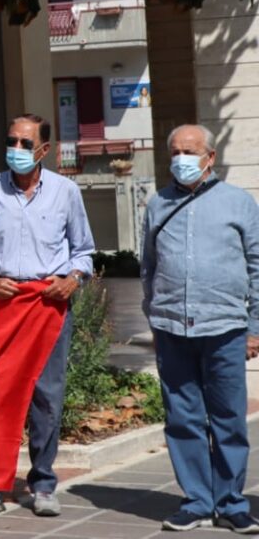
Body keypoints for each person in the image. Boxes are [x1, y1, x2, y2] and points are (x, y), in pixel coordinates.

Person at [0, 113, 94, 519]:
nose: (15, 150)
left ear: (44, 150)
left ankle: (42, 482)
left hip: (48, 306)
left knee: (46, 398)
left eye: (24, 143)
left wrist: (72, 281)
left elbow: (83, 250)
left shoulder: (66, 192)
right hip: (4, 305)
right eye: (11, 142)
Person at [141, 124, 259, 534]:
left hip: (225, 327)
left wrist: (255, 327)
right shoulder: (157, 203)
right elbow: (148, 266)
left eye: (189, 151)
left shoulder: (239, 203)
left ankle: (231, 503)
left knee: (228, 419)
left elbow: (258, 267)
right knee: (182, 417)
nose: (180, 159)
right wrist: (152, 315)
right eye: (174, 152)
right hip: (172, 327)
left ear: (210, 156)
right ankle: (195, 502)